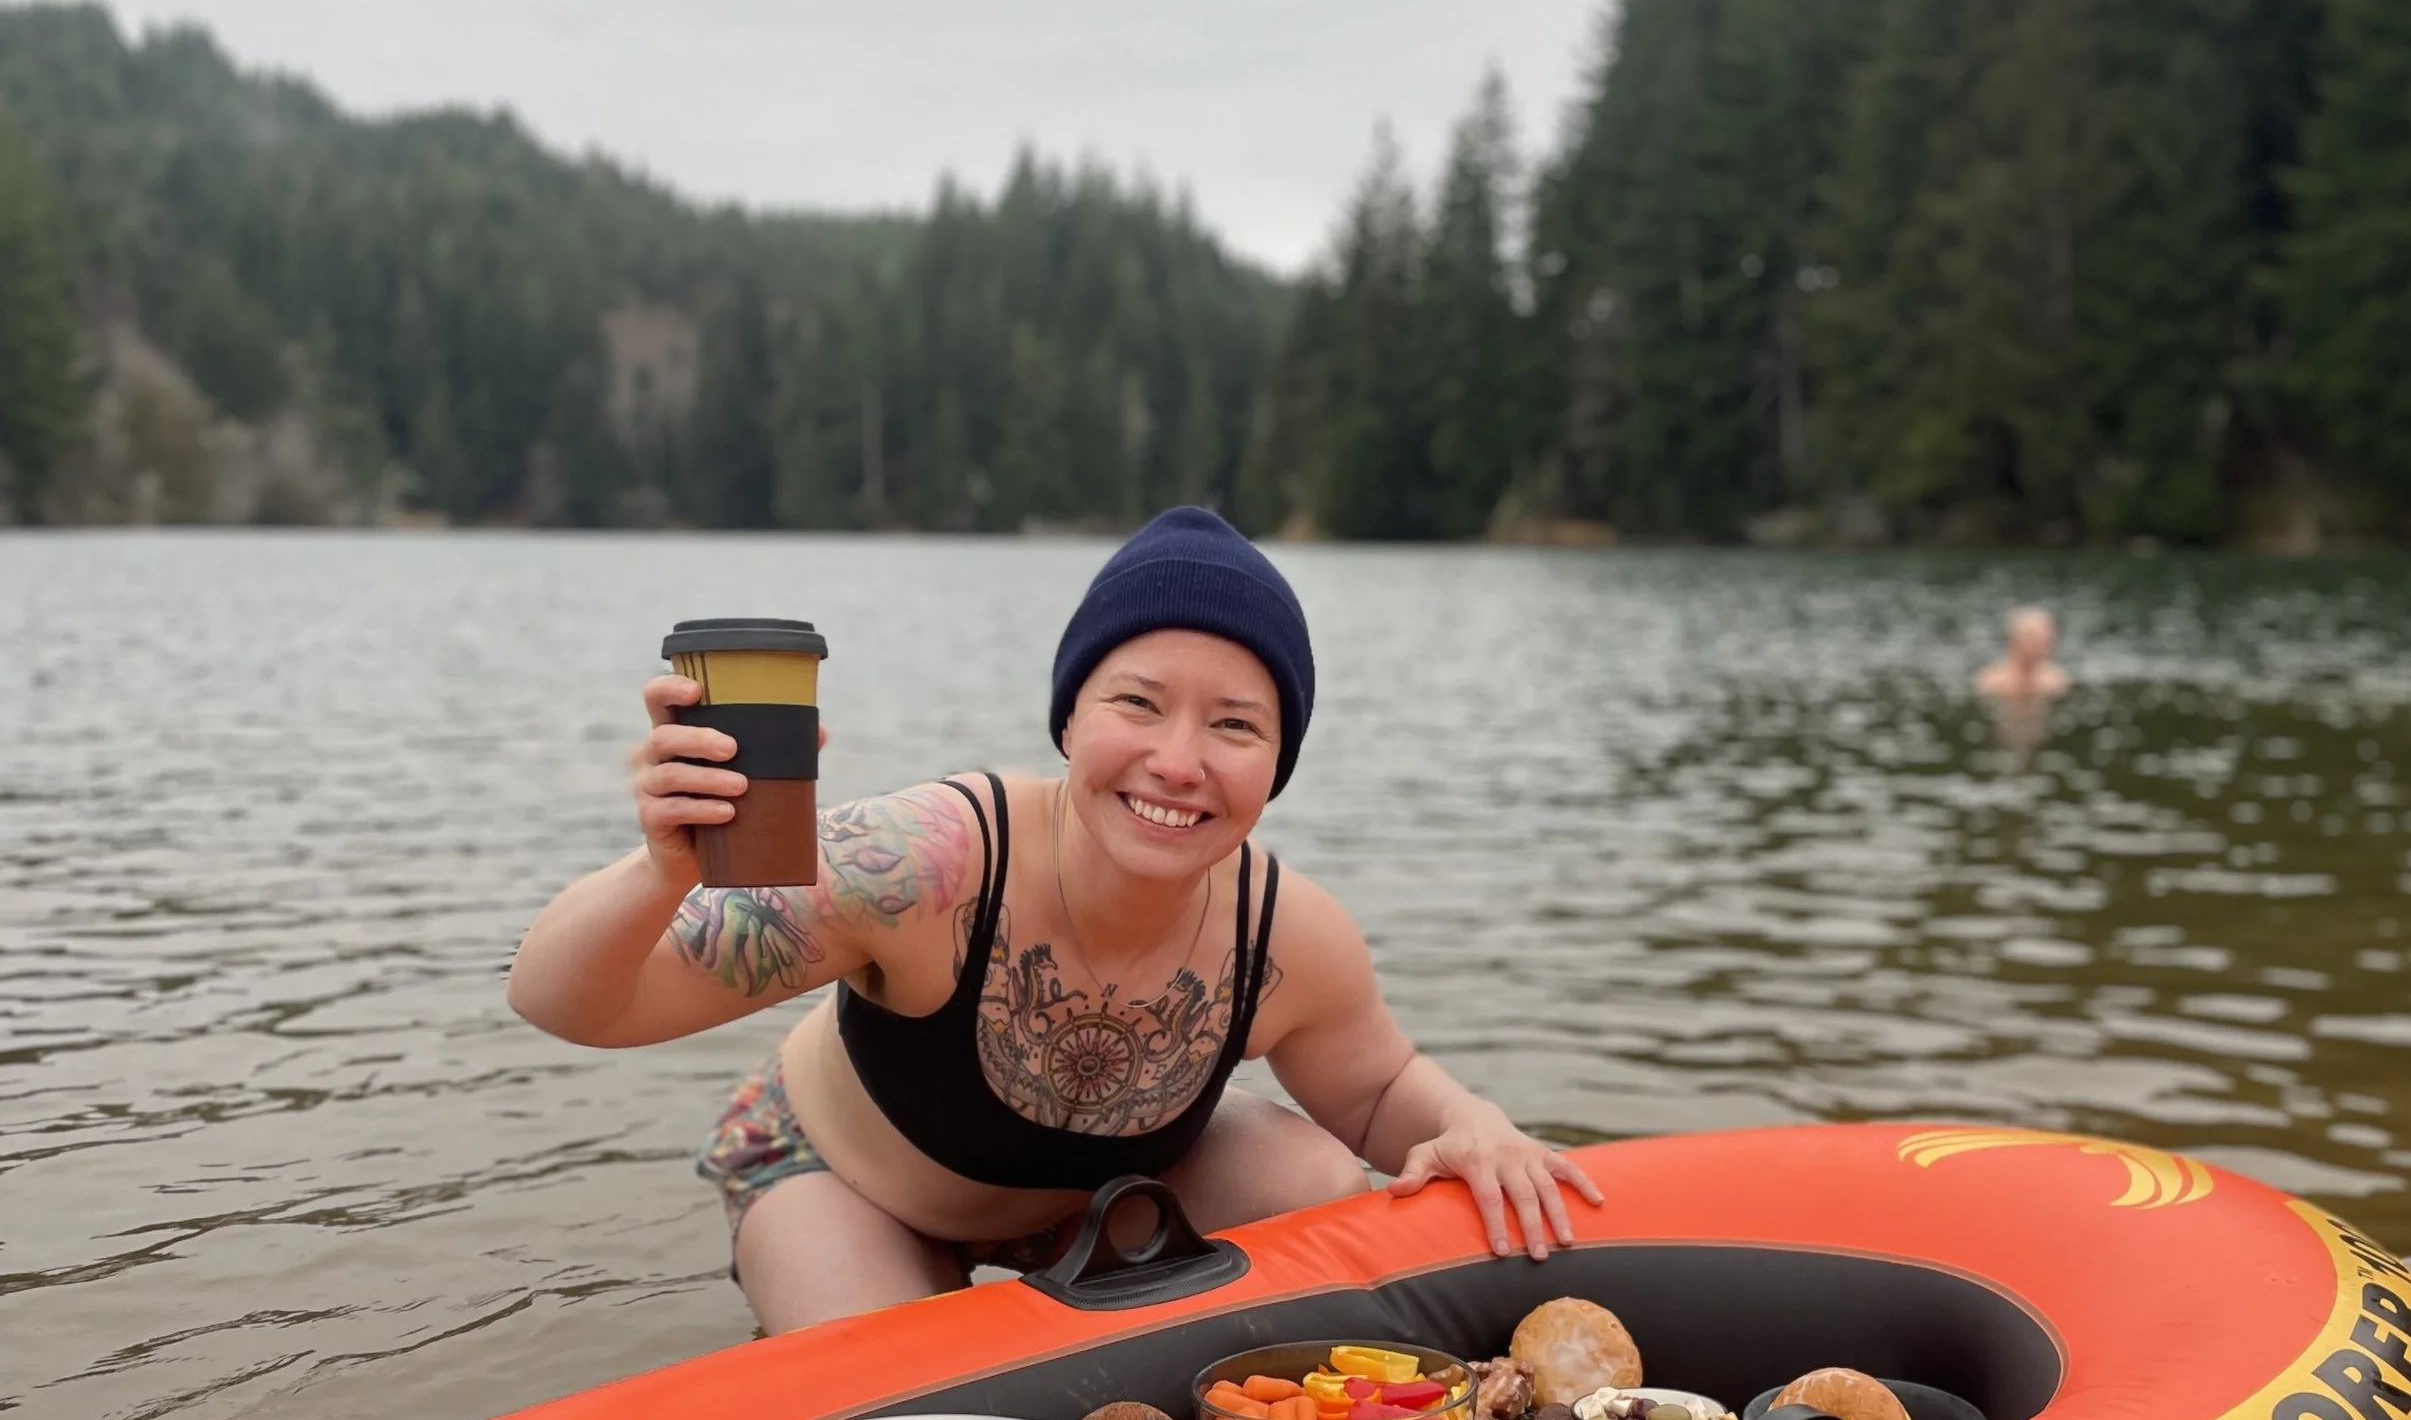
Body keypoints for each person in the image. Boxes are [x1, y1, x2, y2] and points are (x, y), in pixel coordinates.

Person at [507, 508, 1602, 1331]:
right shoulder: (922, 863)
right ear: (1070, 719)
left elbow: (1374, 1090)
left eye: (1234, 724)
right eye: (1138, 703)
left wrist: (1478, 1122)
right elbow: (565, 1003)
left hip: (1090, 1205)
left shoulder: (1283, 934)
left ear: (1276, 764)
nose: (1179, 761)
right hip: (849, 1179)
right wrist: (662, 867)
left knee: (1310, 1180)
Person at [1976, 605, 2072, 709]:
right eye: (2034, 637)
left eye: (2047, 637)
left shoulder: (2056, 681)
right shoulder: (1991, 683)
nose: (2043, 643)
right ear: (2013, 641)